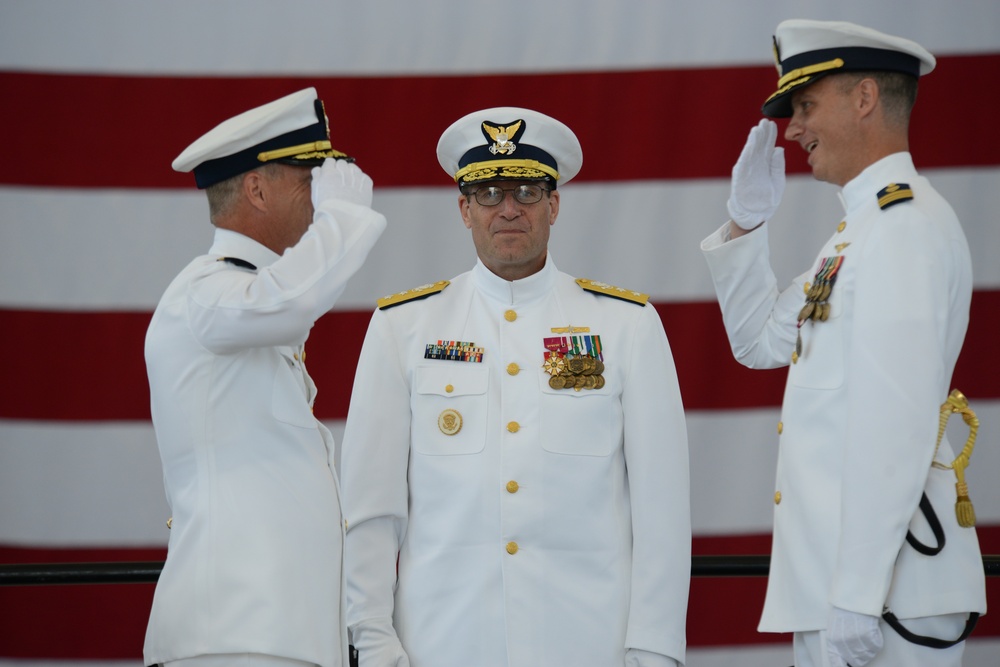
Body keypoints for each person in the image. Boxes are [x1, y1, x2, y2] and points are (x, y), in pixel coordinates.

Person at [339, 107, 690, 667]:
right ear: (464, 209)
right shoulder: (403, 327)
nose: (508, 209)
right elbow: (372, 506)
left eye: (527, 191)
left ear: (554, 205)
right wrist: (373, 640)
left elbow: (662, 512)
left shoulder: (626, 325)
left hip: (587, 645)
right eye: (489, 193)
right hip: (442, 644)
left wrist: (654, 649)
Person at [700, 19, 987, 667]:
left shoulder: (900, 227)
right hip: (850, 586)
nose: (793, 128)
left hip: (884, 592)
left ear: (863, 99)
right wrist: (746, 224)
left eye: (805, 106)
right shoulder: (860, 233)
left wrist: (857, 591)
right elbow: (758, 342)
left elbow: (896, 420)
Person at [143, 87, 387, 667]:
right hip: (231, 632)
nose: (318, 196)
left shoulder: (238, 291)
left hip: (276, 632)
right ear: (256, 188)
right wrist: (345, 216)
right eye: (308, 179)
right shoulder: (203, 292)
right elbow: (289, 300)